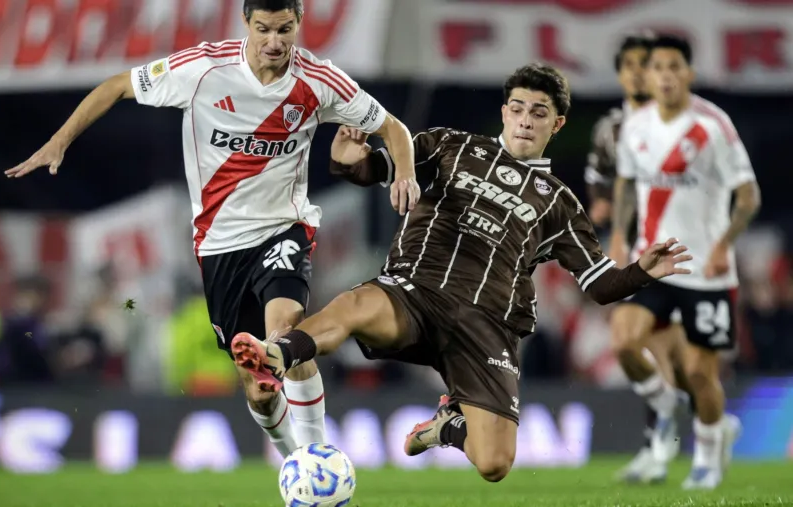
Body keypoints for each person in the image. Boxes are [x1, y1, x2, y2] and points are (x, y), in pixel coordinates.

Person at [230, 63, 692, 483]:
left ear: (558, 123)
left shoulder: (559, 202)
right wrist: (350, 159)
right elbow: (372, 170)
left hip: (487, 327)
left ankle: (448, 427)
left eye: (538, 112)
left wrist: (642, 271)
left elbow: (601, 286)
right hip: (413, 292)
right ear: (504, 112)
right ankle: (277, 355)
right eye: (517, 108)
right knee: (355, 303)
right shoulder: (450, 146)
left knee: (494, 464)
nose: (526, 120)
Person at [5, 0, 419, 458]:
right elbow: (117, 86)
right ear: (246, 23)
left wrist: (404, 174)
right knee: (258, 388)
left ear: (299, 23)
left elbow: (393, 128)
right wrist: (58, 142)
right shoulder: (203, 68)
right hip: (219, 244)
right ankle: (291, 460)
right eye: (264, 29)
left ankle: (318, 456)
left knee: (286, 331)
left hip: (284, 227)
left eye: (285, 29)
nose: (274, 42)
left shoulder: (320, 81)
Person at [609, 34, 759, 490]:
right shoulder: (635, 127)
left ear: (689, 74)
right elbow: (625, 182)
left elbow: (748, 196)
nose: (667, 75)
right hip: (652, 262)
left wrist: (722, 245)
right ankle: (666, 402)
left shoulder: (712, 124)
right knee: (624, 343)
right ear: (648, 76)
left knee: (699, 371)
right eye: (659, 68)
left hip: (704, 270)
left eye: (676, 67)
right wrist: (619, 234)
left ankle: (709, 459)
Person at [586, 34, 694, 484]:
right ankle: (664, 443)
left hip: (678, 248)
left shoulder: (683, 123)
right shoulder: (610, 129)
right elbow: (600, 179)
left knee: (662, 353)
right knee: (637, 345)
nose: (636, 72)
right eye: (628, 64)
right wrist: (603, 210)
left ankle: (669, 443)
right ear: (620, 72)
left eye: (643, 64)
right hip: (635, 252)